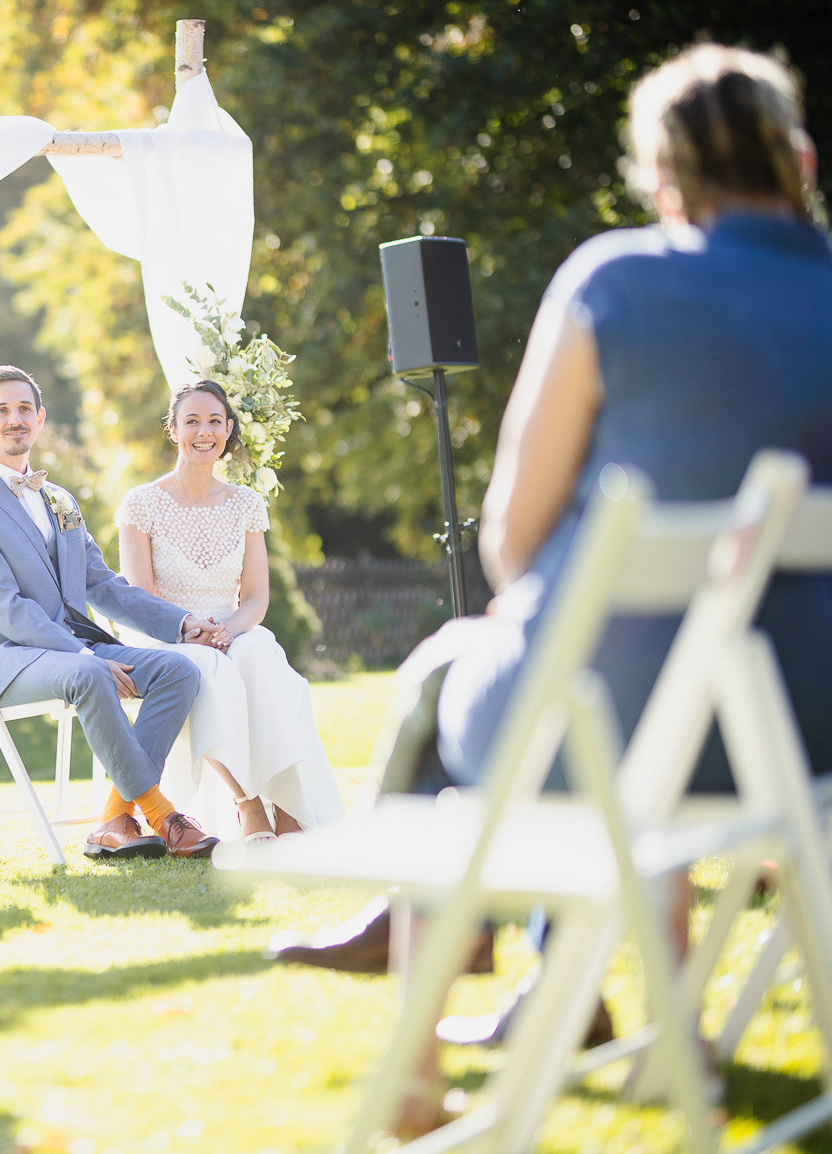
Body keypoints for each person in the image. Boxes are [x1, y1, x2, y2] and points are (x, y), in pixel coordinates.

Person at [270, 44, 832, 1136]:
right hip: (805, 735)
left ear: (663, 180)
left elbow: (513, 541)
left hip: (626, 718)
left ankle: (418, 1062)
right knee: (609, 696)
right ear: (800, 160)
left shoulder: (618, 283)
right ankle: (606, 1010)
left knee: (463, 673)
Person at [0, 365, 219, 859]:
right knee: (90, 672)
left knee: (178, 671)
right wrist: (83, 654)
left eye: (25, 409)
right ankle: (163, 816)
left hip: (73, 653)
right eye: (2, 410)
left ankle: (113, 818)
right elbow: (3, 607)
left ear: (40, 418)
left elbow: (103, 585)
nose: (15, 419)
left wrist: (180, 622)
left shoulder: (59, 499)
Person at [114, 381, 345, 846]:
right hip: (164, 632)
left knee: (258, 653)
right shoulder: (141, 503)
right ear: (173, 429)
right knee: (204, 665)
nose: (204, 432)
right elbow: (140, 596)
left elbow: (256, 598)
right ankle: (248, 803)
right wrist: (187, 629)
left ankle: (288, 806)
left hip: (231, 627)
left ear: (228, 430)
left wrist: (227, 630)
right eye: (192, 421)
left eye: (214, 421)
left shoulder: (246, 503)